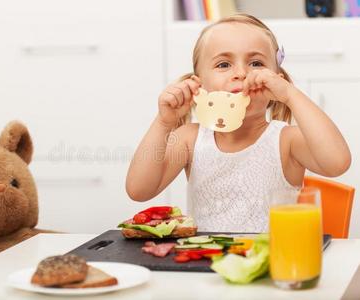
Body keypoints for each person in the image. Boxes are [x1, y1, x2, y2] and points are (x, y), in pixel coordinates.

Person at [125, 14, 351, 232]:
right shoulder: (190, 139)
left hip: (272, 264)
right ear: (199, 85)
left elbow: (337, 163)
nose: (241, 73)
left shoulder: (286, 140)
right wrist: (164, 123)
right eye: (224, 64)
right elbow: (138, 190)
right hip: (206, 265)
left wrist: (291, 95)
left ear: (277, 80)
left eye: (256, 63)